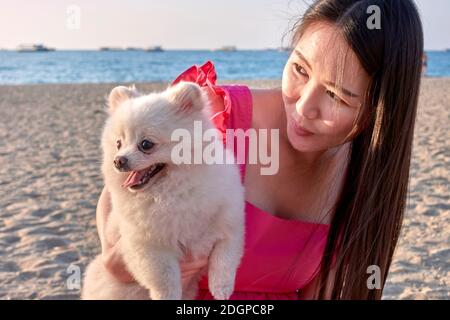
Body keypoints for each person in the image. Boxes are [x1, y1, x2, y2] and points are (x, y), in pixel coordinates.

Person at [95, 0, 423, 299]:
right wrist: (134, 262)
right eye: (300, 69)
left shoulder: (364, 178)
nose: (304, 106)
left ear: (378, 112)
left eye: (336, 96)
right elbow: (115, 253)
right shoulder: (212, 121)